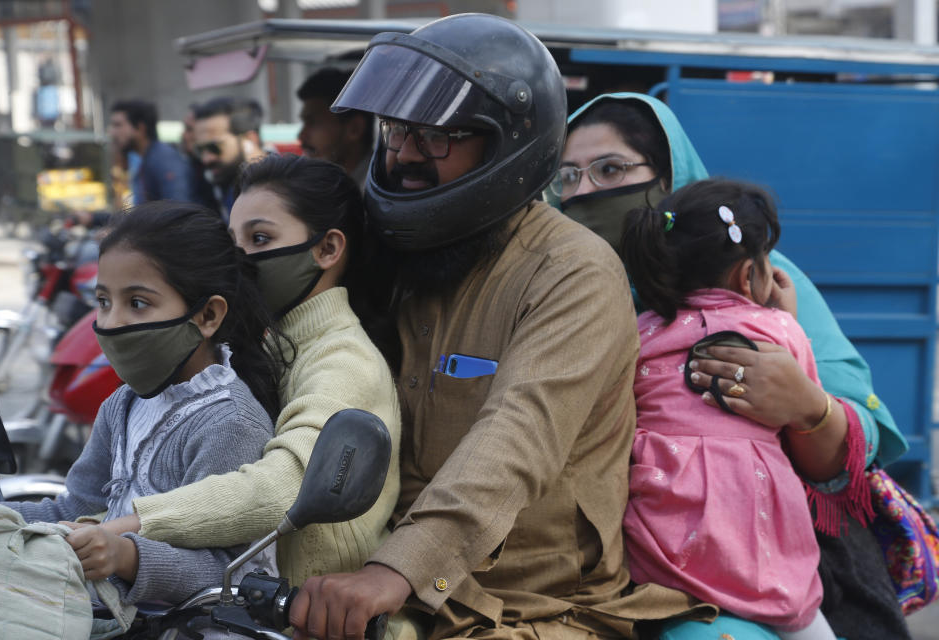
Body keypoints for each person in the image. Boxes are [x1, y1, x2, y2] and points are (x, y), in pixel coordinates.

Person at [274, 14, 719, 640]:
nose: (404, 153)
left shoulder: (574, 271)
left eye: (439, 136)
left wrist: (394, 571)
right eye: (397, 129)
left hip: (527, 606)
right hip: (368, 586)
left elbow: (517, 436)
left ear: (510, 143)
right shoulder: (390, 255)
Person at [555, 92, 911, 639]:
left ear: (670, 173)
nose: (584, 193)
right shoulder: (556, 286)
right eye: (567, 178)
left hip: (777, 549)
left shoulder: (765, 281)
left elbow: (854, 449)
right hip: (617, 557)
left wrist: (807, 408)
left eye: (609, 170)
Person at [99, 154, 410, 636]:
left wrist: (134, 524)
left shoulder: (344, 361)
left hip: (324, 626)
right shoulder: (265, 346)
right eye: (234, 241)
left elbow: (284, 486)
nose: (241, 259)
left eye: (260, 240)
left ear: (327, 248)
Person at [619, 178, 874, 640]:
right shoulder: (780, 331)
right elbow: (806, 398)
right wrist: (787, 319)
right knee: (805, 623)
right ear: (747, 274)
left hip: (664, 550)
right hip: (755, 540)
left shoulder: (640, 333)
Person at [0, 202, 282, 609]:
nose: (111, 323)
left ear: (207, 315)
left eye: (137, 303)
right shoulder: (123, 403)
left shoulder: (230, 423)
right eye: (103, 301)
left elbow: (233, 573)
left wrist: (126, 556)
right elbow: (75, 506)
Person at [297, 68, 374, 188]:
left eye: (313, 122)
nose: (301, 135)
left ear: (355, 128)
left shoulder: (381, 193)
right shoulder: (323, 185)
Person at [192, 96, 265, 220]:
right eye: (200, 150)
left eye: (215, 147)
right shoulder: (224, 184)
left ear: (250, 140)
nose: (206, 159)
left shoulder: (281, 188)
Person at [108, 99, 192, 204]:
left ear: (140, 128)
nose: (111, 132)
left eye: (118, 125)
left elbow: (178, 210)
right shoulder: (145, 160)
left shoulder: (163, 159)